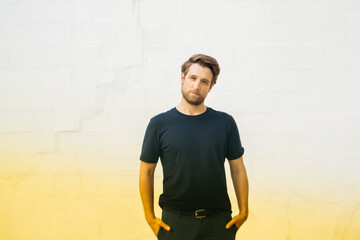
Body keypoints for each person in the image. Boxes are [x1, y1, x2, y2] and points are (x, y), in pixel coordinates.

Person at [139, 54, 249, 240]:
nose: (197, 86)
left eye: (204, 81)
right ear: (182, 78)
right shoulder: (159, 124)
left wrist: (244, 211)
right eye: (193, 78)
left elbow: (237, 169)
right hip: (175, 223)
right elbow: (146, 171)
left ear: (211, 87)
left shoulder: (225, 123)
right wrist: (150, 217)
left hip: (218, 222)